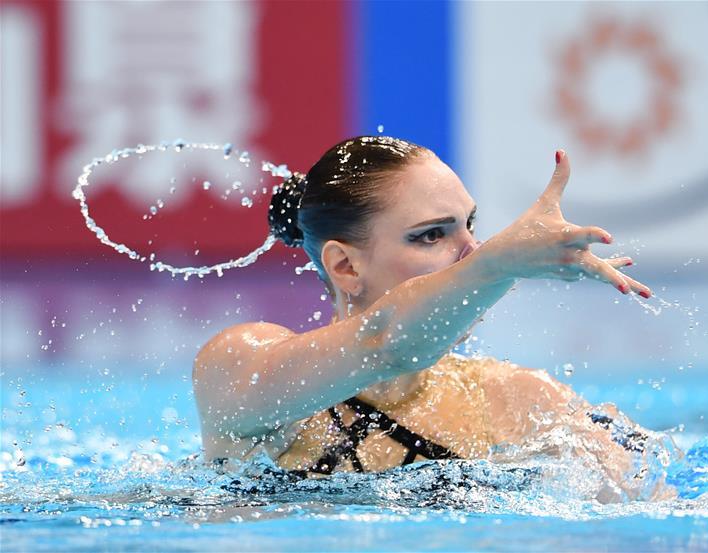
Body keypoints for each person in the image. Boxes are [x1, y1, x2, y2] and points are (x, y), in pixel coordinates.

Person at [193, 136, 672, 501]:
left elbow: (652, 516)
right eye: (430, 236)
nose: (470, 252)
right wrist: (499, 263)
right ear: (345, 266)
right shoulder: (241, 369)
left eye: (470, 226)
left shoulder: (515, 399)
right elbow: (387, 341)